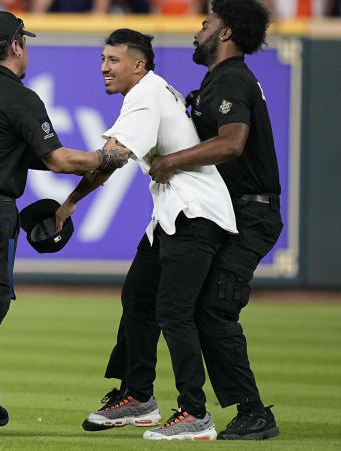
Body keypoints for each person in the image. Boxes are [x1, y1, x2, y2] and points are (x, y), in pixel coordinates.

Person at [0, 10, 130, 439]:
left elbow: (11, 152)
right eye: (26, 42)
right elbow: (56, 159)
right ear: (16, 45)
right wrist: (104, 158)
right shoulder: (18, 96)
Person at [57, 28, 238, 440]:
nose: (104, 68)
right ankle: (139, 397)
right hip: (172, 216)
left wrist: (69, 201)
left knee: (174, 312)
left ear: (138, 65)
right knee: (138, 297)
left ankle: (196, 413)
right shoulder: (152, 90)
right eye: (102, 59)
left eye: (113, 60)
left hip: (195, 214)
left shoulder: (144, 95)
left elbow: (112, 158)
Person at [148, 0, 283, 440]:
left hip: (251, 213)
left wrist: (173, 161)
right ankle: (236, 410)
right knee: (200, 309)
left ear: (225, 33)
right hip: (236, 211)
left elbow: (232, 143)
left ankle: (253, 413)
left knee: (214, 309)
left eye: (205, 24)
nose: (197, 30)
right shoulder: (218, 82)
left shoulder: (229, 79)